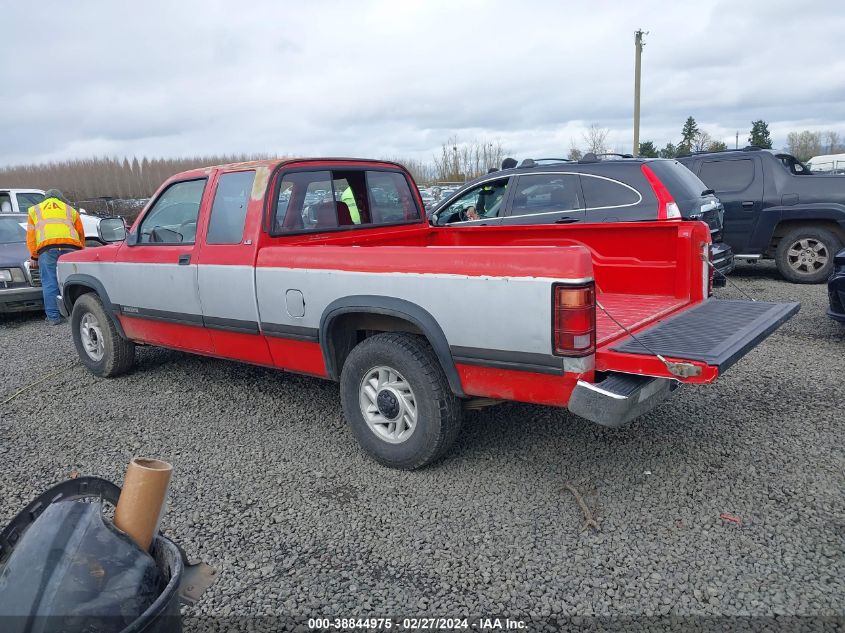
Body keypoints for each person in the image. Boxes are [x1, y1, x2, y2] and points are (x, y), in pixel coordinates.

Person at [26, 189, 85, 324]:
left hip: (47, 249)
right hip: (71, 248)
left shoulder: (34, 210)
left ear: (45, 198)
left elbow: (31, 236)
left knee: (49, 283)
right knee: (73, 281)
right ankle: (76, 315)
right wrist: (81, 251)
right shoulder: (70, 210)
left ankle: (53, 318)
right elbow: (80, 233)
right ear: (60, 198)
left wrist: (34, 257)